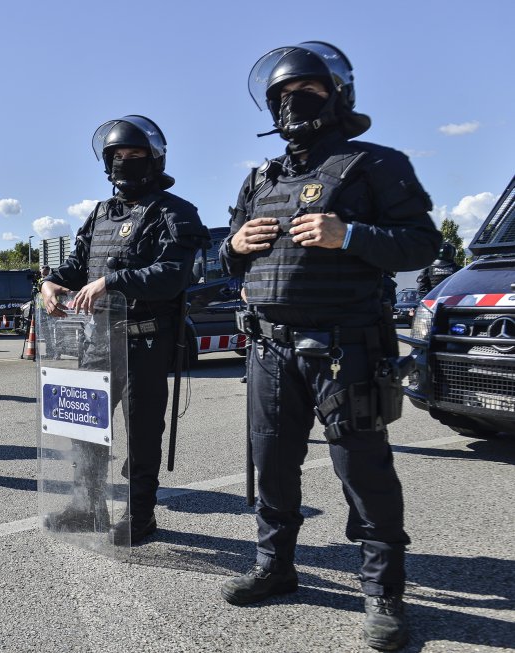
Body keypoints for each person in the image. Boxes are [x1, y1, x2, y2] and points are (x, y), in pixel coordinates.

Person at [219, 42, 441, 651]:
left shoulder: (376, 164)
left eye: (309, 92)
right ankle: (275, 565)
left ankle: (384, 593)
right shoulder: (261, 177)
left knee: (363, 470)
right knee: (272, 463)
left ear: (339, 96)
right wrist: (234, 247)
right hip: (269, 348)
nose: (294, 103)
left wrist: (350, 235)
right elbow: (224, 259)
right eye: (282, 96)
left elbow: (422, 245)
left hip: (346, 348)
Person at [40, 115, 208, 543]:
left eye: (133, 154)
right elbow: (79, 266)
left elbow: (172, 274)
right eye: (116, 155)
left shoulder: (174, 212)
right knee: (84, 429)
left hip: (143, 341)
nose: (123, 162)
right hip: (98, 339)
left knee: (142, 431)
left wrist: (113, 281)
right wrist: (52, 280)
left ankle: (140, 515)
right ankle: (86, 505)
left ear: (154, 158)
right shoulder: (100, 214)